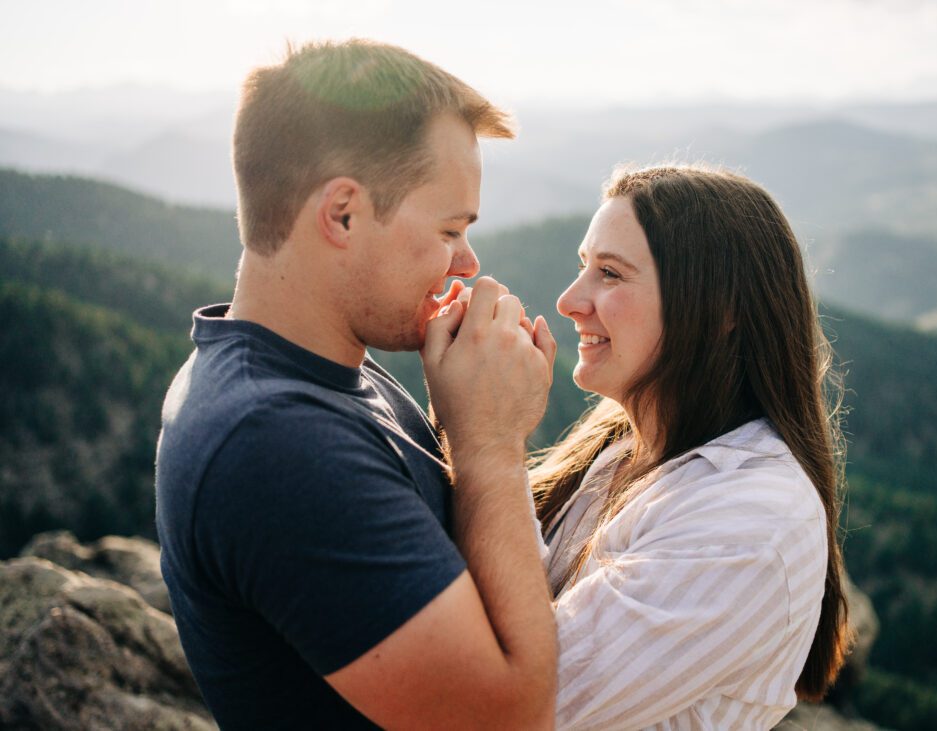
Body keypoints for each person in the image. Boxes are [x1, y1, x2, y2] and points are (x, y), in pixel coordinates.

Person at [155, 39, 558, 730]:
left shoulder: (323, 369)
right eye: (450, 228)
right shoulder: (275, 443)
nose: (468, 260)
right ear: (342, 212)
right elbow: (511, 718)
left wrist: (463, 417)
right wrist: (489, 442)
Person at [530, 165, 852, 729]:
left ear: (723, 309)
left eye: (610, 273)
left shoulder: (751, 520)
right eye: (584, 267)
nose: (570, 301)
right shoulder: (627, 448)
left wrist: (487, 438)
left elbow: (526, 705)